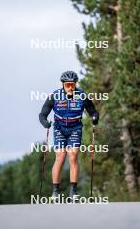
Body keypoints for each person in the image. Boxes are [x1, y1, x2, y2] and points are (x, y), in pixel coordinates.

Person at [39, 71, 99, 200]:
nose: (71, 87)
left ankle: (73, 192)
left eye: (73, 84)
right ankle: (55, 192)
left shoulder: (81, 95)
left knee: (73, 156)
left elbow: (93, 111)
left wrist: (95, 117)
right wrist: (45, 123)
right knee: (60, 157)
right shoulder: (54, 96)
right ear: (63, 85)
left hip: (75, 128)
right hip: (59, 129)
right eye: (68, 85)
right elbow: (42, 114)